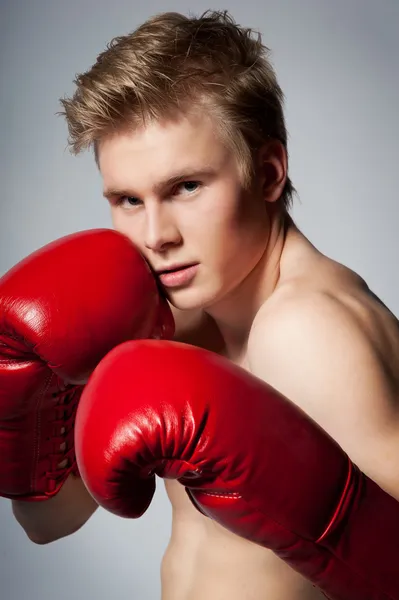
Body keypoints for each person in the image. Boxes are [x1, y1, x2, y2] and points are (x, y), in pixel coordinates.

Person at [2, 9, 399, 600]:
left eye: (185, 187)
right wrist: (27, 404)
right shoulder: (173, 316)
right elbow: (48, 523)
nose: (155, 234)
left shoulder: (307, 330)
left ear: (267, 173)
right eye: (128, 200)